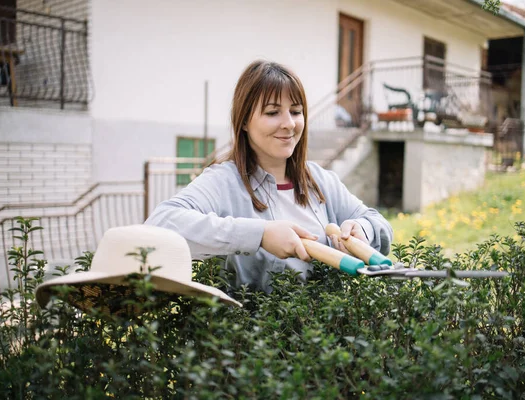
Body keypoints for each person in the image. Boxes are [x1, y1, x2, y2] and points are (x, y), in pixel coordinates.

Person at [145, 60, 393, 292]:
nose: (289, 124)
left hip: (326, 335)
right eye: (273, 113)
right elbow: (160, 224)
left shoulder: (319, 180)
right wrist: (260, 235)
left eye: (295, 111)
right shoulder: (223, 181)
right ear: (243, 121)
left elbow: (377, 222)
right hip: (250, 337)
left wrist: (363, 229)